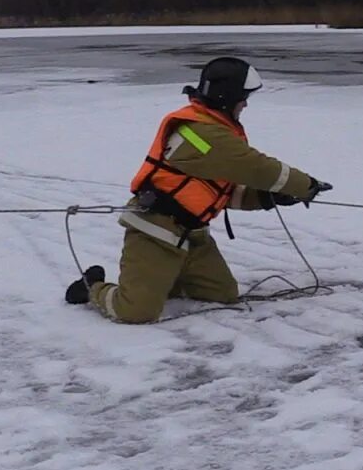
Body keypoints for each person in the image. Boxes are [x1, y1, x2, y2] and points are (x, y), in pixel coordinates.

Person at [65, 57, 331, 323]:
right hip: (156, 232)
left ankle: (161, 279)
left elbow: (220, 193)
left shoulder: (213, 134)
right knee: (137, 311)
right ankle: (92, 288)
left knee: (222, 293)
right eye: (243, 98)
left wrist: (269, 197)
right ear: (227, 97)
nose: (246, 104)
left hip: (192, 237)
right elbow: (258, 168)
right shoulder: (199, 136)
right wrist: (305, 185)